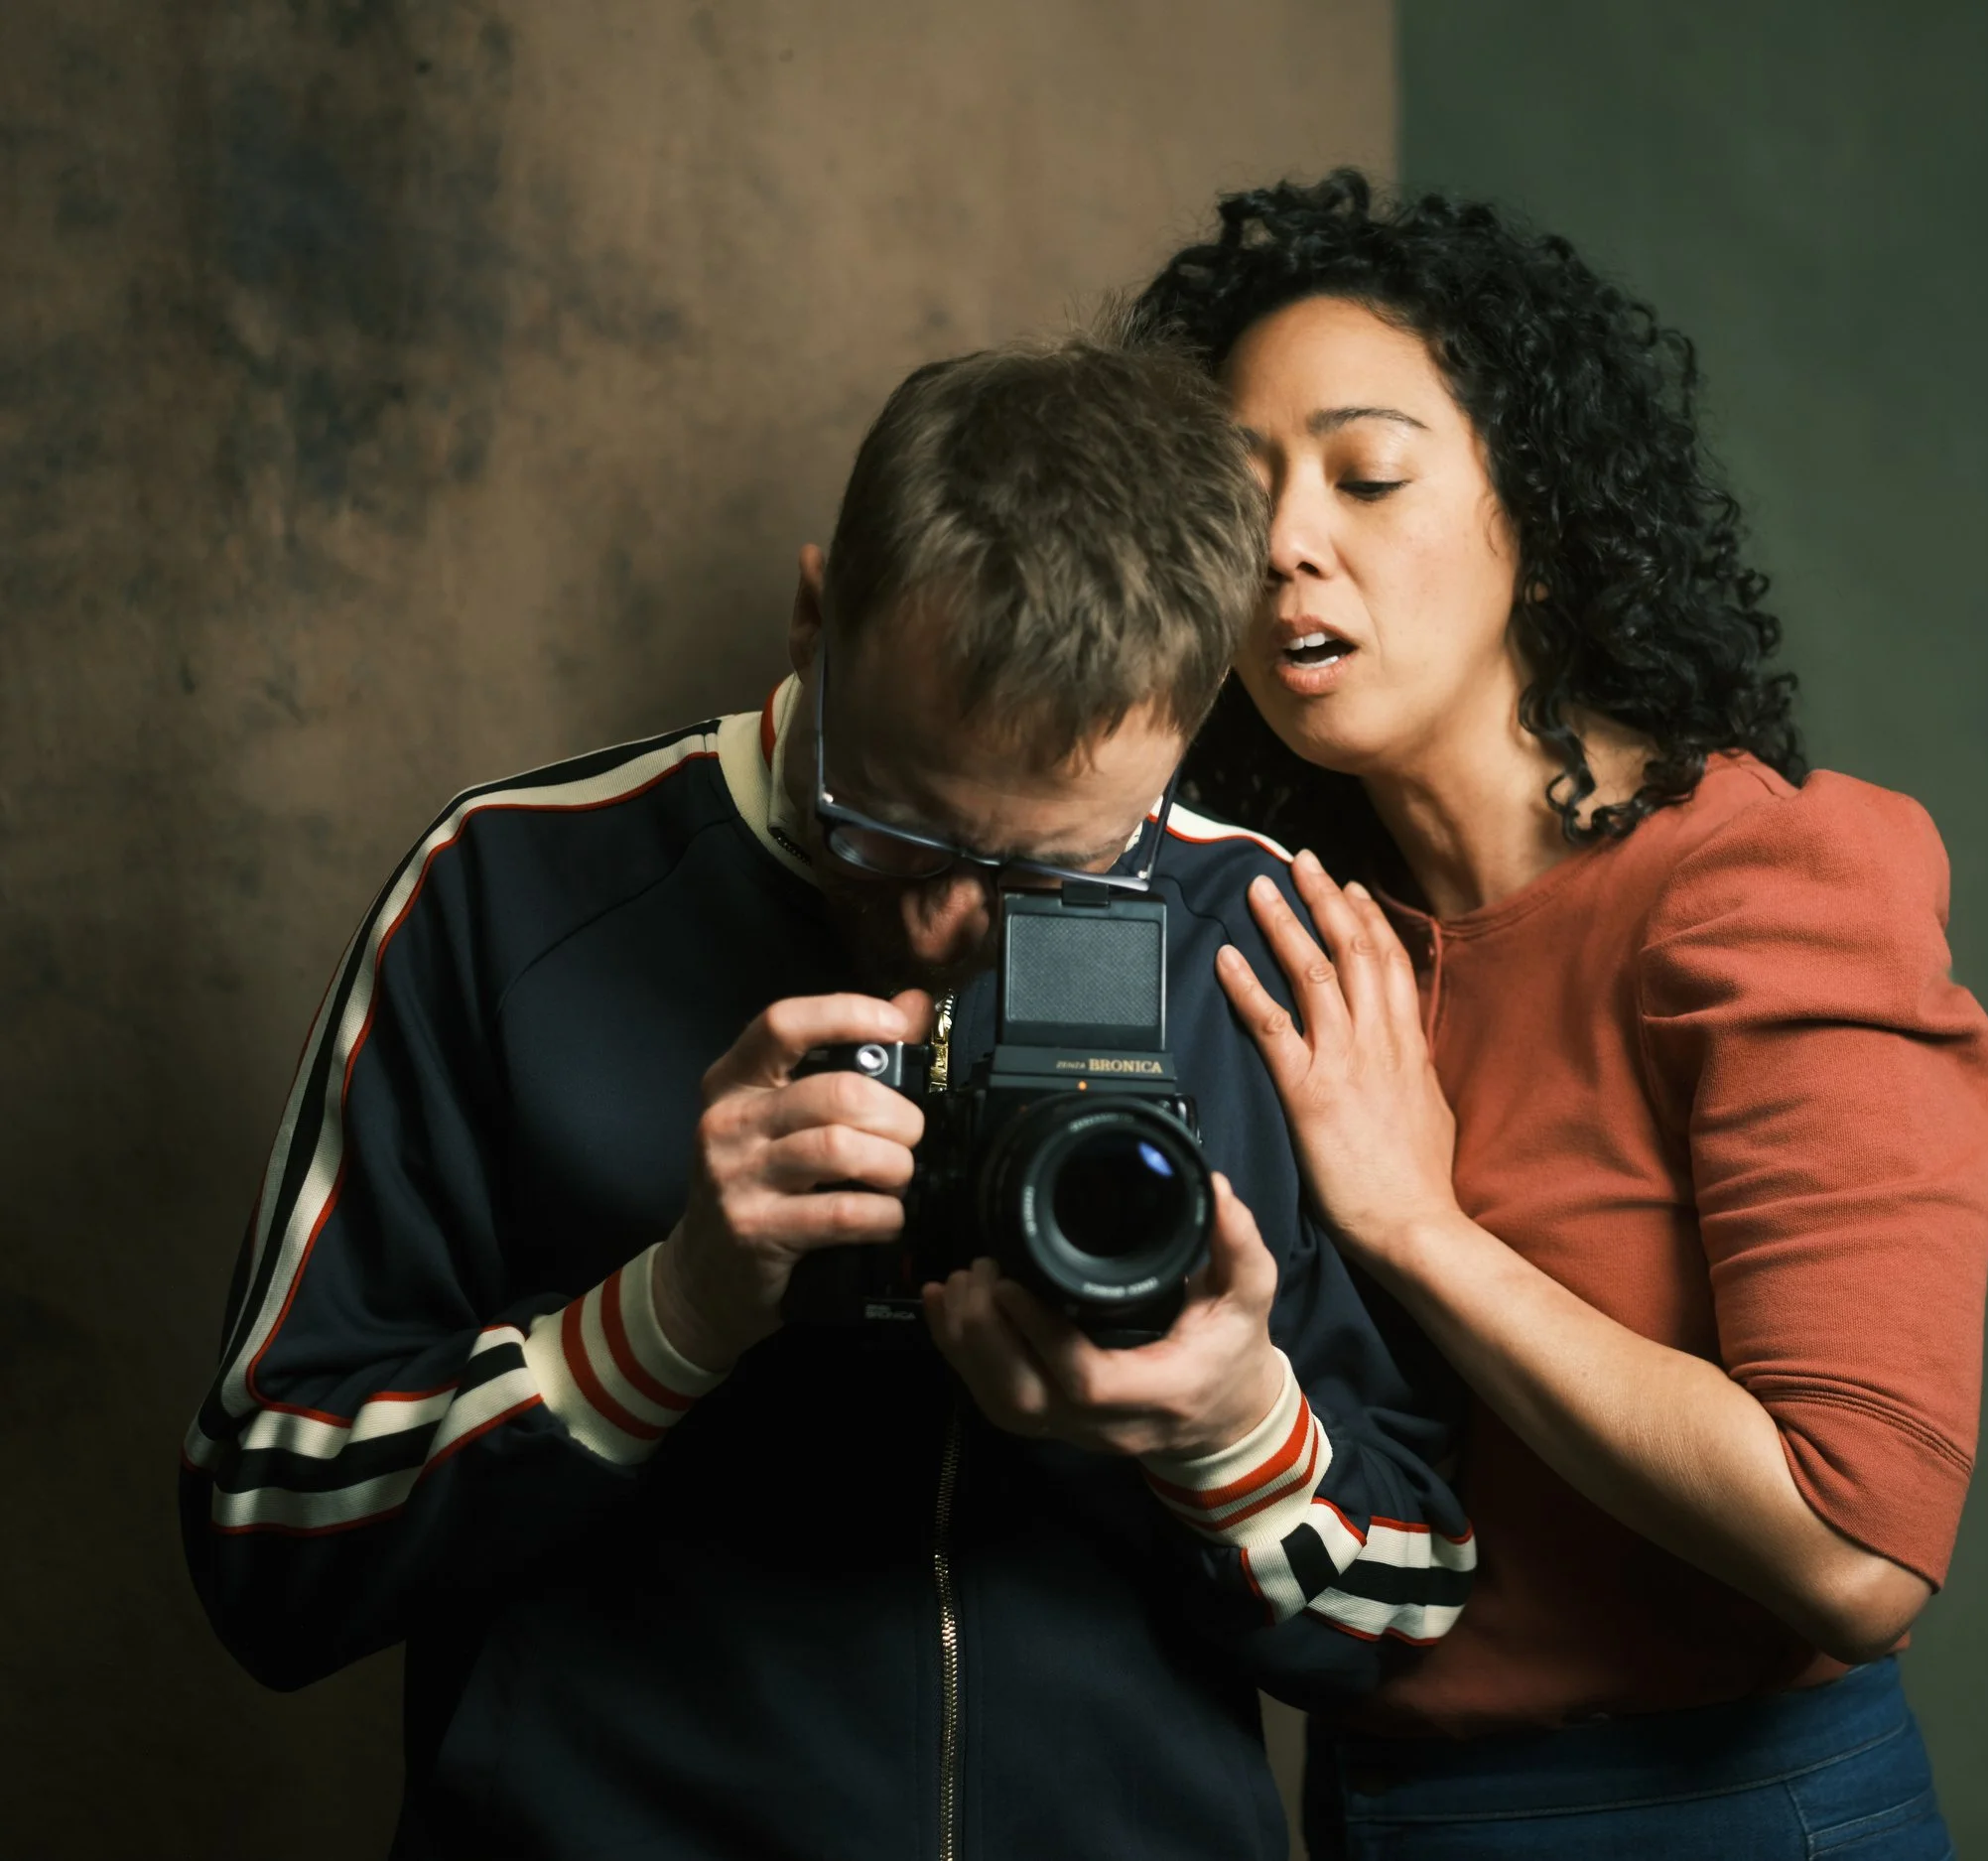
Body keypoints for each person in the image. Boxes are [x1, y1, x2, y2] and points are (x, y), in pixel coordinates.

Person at [178, 329, 1476, 1861]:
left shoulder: (1268, 950)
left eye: (1055, 876)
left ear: (1183, 729)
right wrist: (662, 1318)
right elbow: (261, 1544)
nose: (941, 927)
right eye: (890, 828)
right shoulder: (507, 891)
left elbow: (1408, 1608)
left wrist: (1230, 1425)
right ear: (815, 617)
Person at [1135, 171, 1988, 1857]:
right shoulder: (1277, 925)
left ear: (1534, 509)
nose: (1285, 542)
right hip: (1358, 1807)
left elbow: (1858, 1549)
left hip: (1721, 1814)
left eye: (1367, 475)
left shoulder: (1766, 881)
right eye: (1238, 495)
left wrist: (1420, 1226)